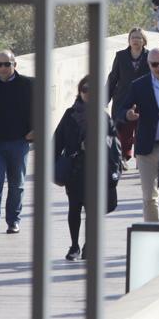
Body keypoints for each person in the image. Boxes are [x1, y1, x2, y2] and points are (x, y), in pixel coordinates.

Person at [52, 76, 119, 262]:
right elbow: (57, 141)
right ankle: (74, 246)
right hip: (75, 169)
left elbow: (115, 144)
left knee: (92, 210)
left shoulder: (104, 117)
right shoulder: (70, 114)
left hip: (97, 170)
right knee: (74, 208)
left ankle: (89, 245)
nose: (89, 93)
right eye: (85, 90)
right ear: (80, 92)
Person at [122, 48, 159, 223]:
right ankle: (155, 234)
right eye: (155, 64)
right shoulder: (139, 85)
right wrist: (127, 115)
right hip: (146, 149)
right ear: (148, 64)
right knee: (149, 197)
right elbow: (122, 109)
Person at [0, 51, 32, 235]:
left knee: (17, 184)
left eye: (6, 64)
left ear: (14, 65)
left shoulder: (29, 84)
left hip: (20, 141)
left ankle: (13, 221)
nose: (2, 68)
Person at [107, 28, 149, 165]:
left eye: (138, 38)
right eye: (133, 38)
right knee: (123, 130)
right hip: (123, 99)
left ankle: (140, 158)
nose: (135, 40)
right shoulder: (120, 56)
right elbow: (113, 78)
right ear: (129, 40)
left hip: (143, 99)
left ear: (144, 41)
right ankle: (123, 157)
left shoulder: (150, 56)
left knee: (142, 130)